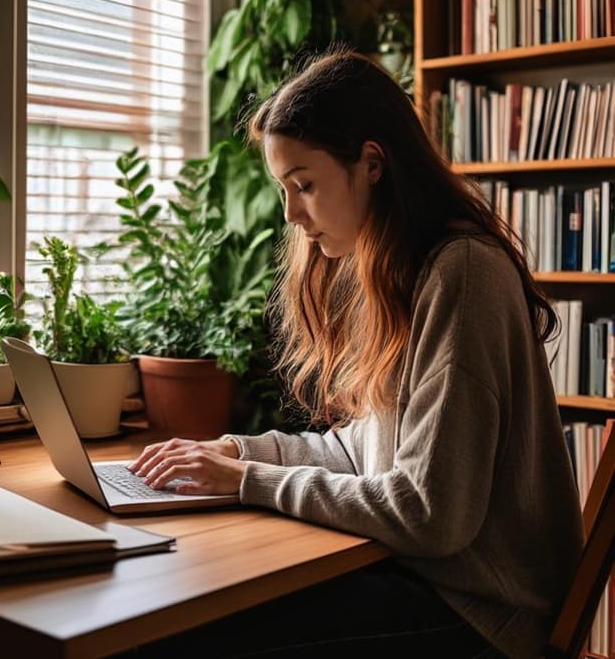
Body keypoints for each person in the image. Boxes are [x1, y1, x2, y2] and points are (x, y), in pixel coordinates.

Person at [126, 48, 584, 659]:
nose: (291, 214)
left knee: (186, 632)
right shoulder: (392, 269)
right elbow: (358, 452)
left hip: (482, 616)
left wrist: (247, 481)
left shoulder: (462, 275)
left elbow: (428, 513)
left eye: (305, 185)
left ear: (371, 164)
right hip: (422, 580)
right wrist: (237, 451)